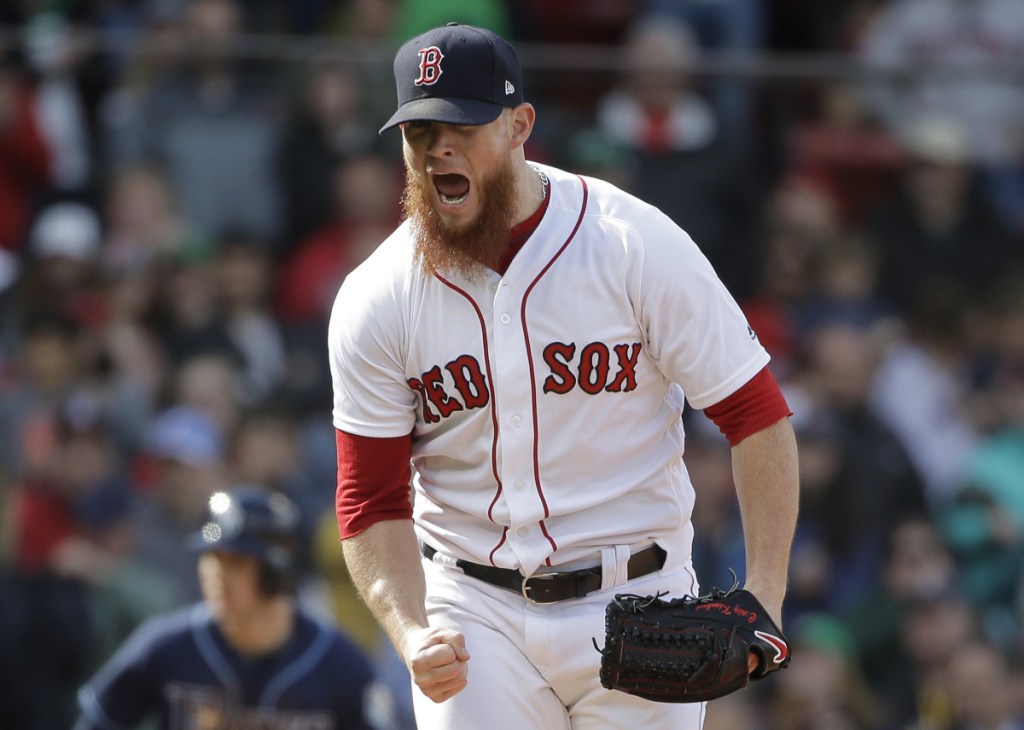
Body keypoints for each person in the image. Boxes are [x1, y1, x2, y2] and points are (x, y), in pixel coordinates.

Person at [327, 23, 800, 729]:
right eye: (418, 130)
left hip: (638, 602)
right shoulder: (379, 296)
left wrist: (765, 592)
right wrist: (410, 630)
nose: (437, 149)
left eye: (461, 124)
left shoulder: (631, 245)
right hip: (472, 607)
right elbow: (370, 499)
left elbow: (755, 415)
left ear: (520, 126)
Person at [74, 485, 394, 729]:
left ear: (278, 571)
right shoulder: (165, 647)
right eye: (212, 559)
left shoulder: (338, 663)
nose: (217, 575)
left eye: (236, 562)